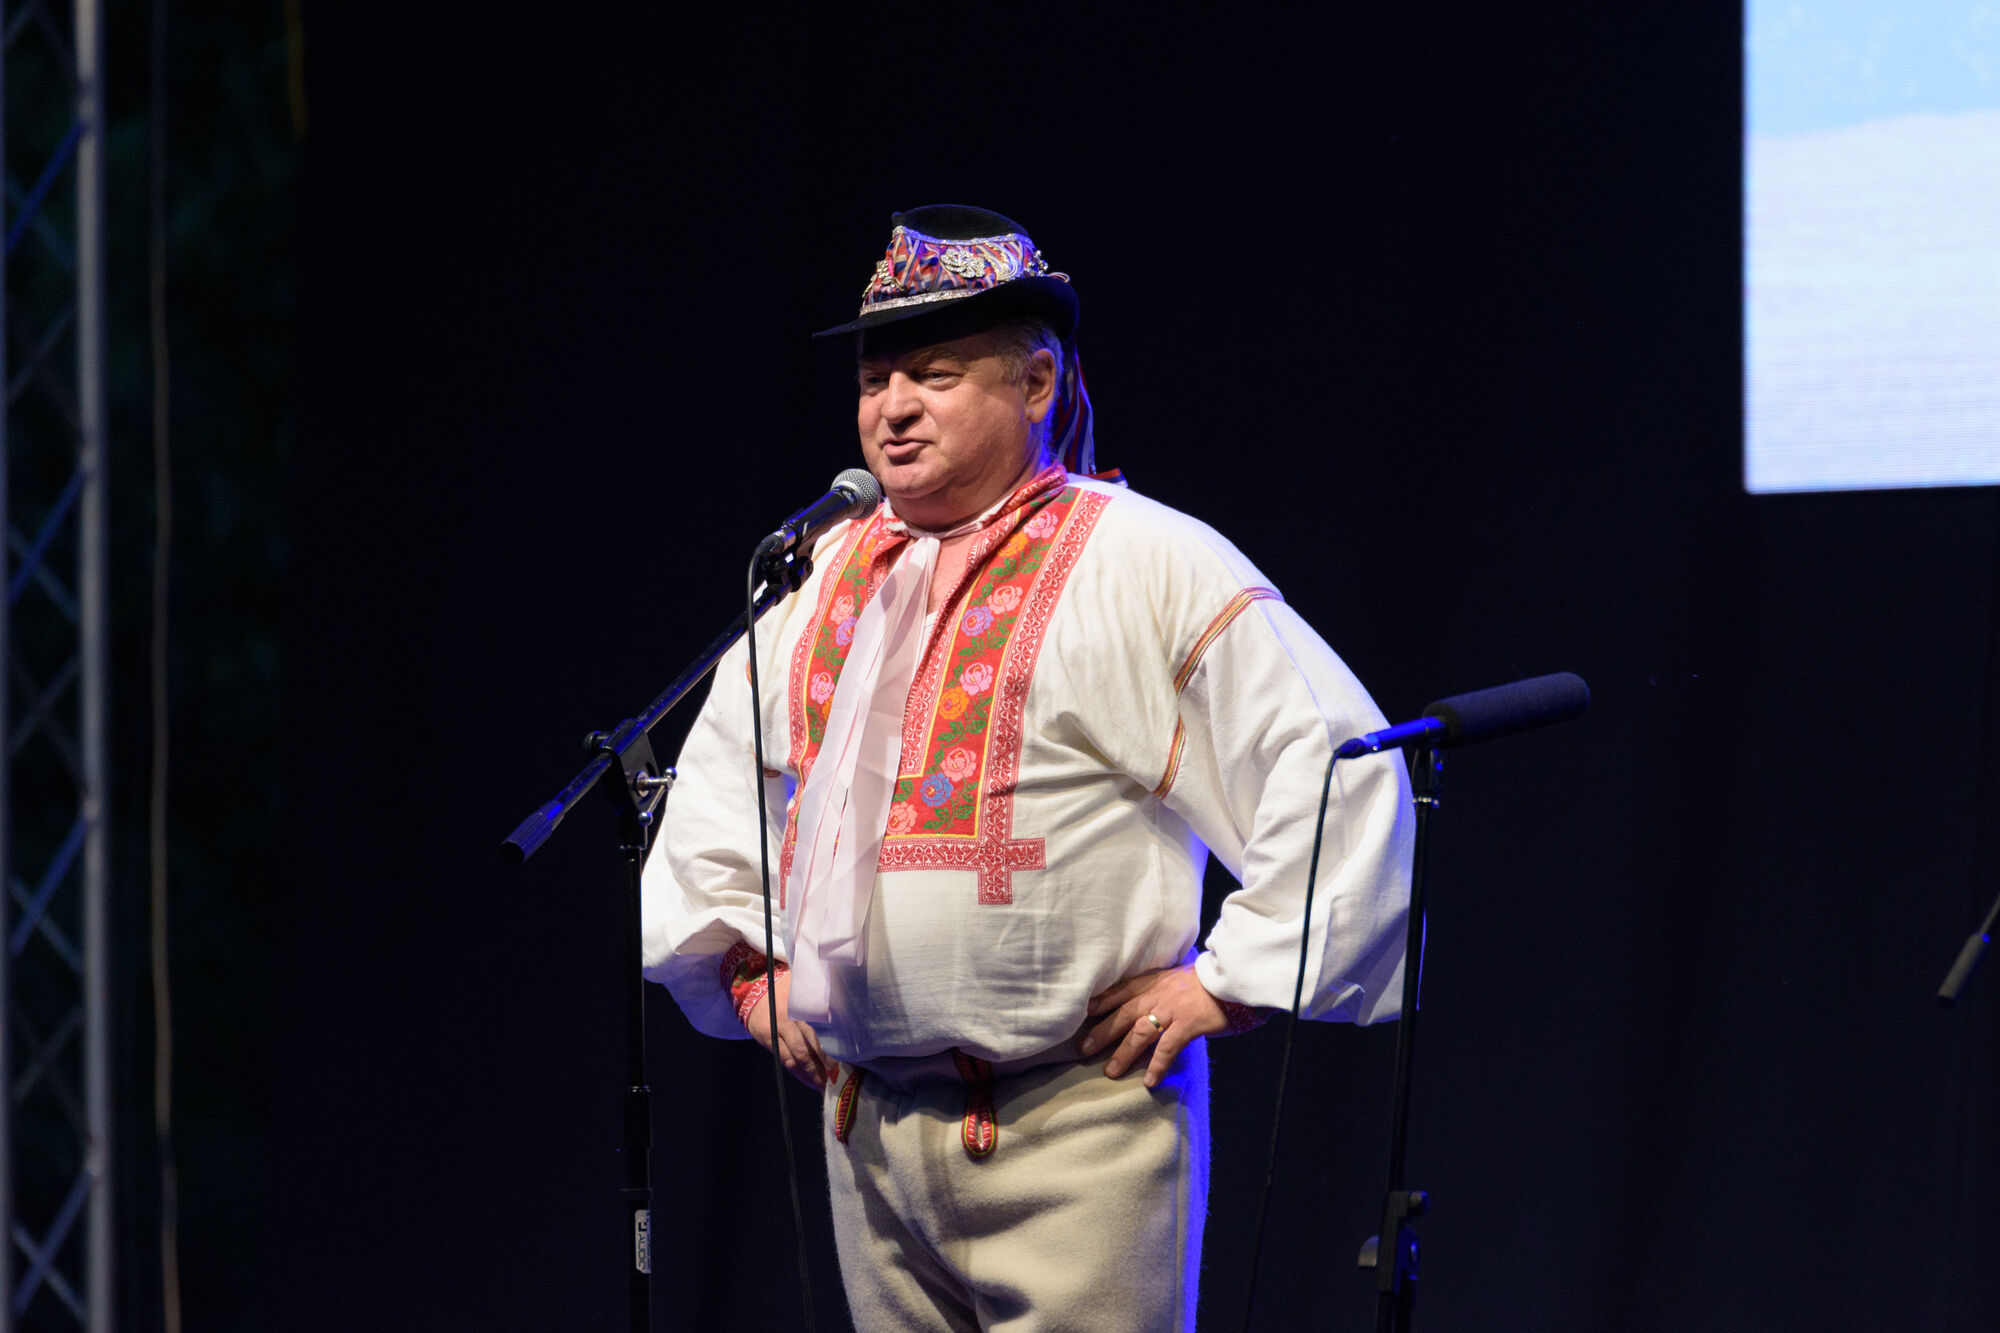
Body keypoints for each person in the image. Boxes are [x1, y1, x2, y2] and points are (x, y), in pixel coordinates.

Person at [641, 204, 1413, 1331]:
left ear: (1037, 382)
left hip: (1077, 1131)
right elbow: (726, 790)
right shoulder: (821, 579)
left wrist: (1226, 982)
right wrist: (750, 971)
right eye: (874, 380)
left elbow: (1334, 756)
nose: (893, 407)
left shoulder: (1142, 559)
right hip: (869, 1135)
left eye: (935, 374)